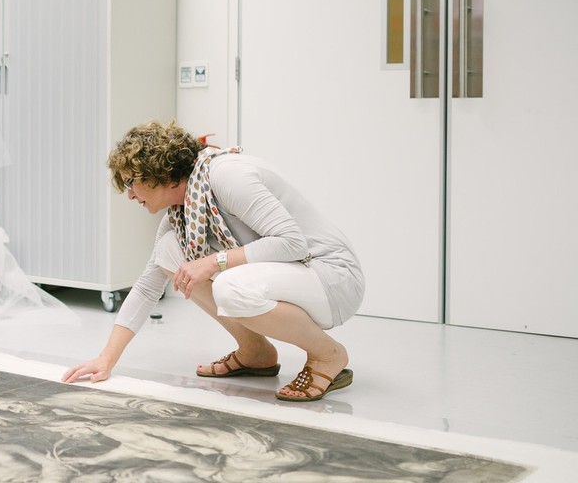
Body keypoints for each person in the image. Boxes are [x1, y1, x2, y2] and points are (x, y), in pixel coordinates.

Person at [63, 120, 364, 402]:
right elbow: (146, 287)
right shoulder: (181, 211)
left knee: (230, 285)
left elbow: (292, 243)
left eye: (131, 182)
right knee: (169, 250)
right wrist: (106, 359)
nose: (129, 195)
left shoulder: (226, 176)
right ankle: (255, 352)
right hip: (299, 273)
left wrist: (214, 262)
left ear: (163, 175)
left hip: (331, 276)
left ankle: (328, 355)